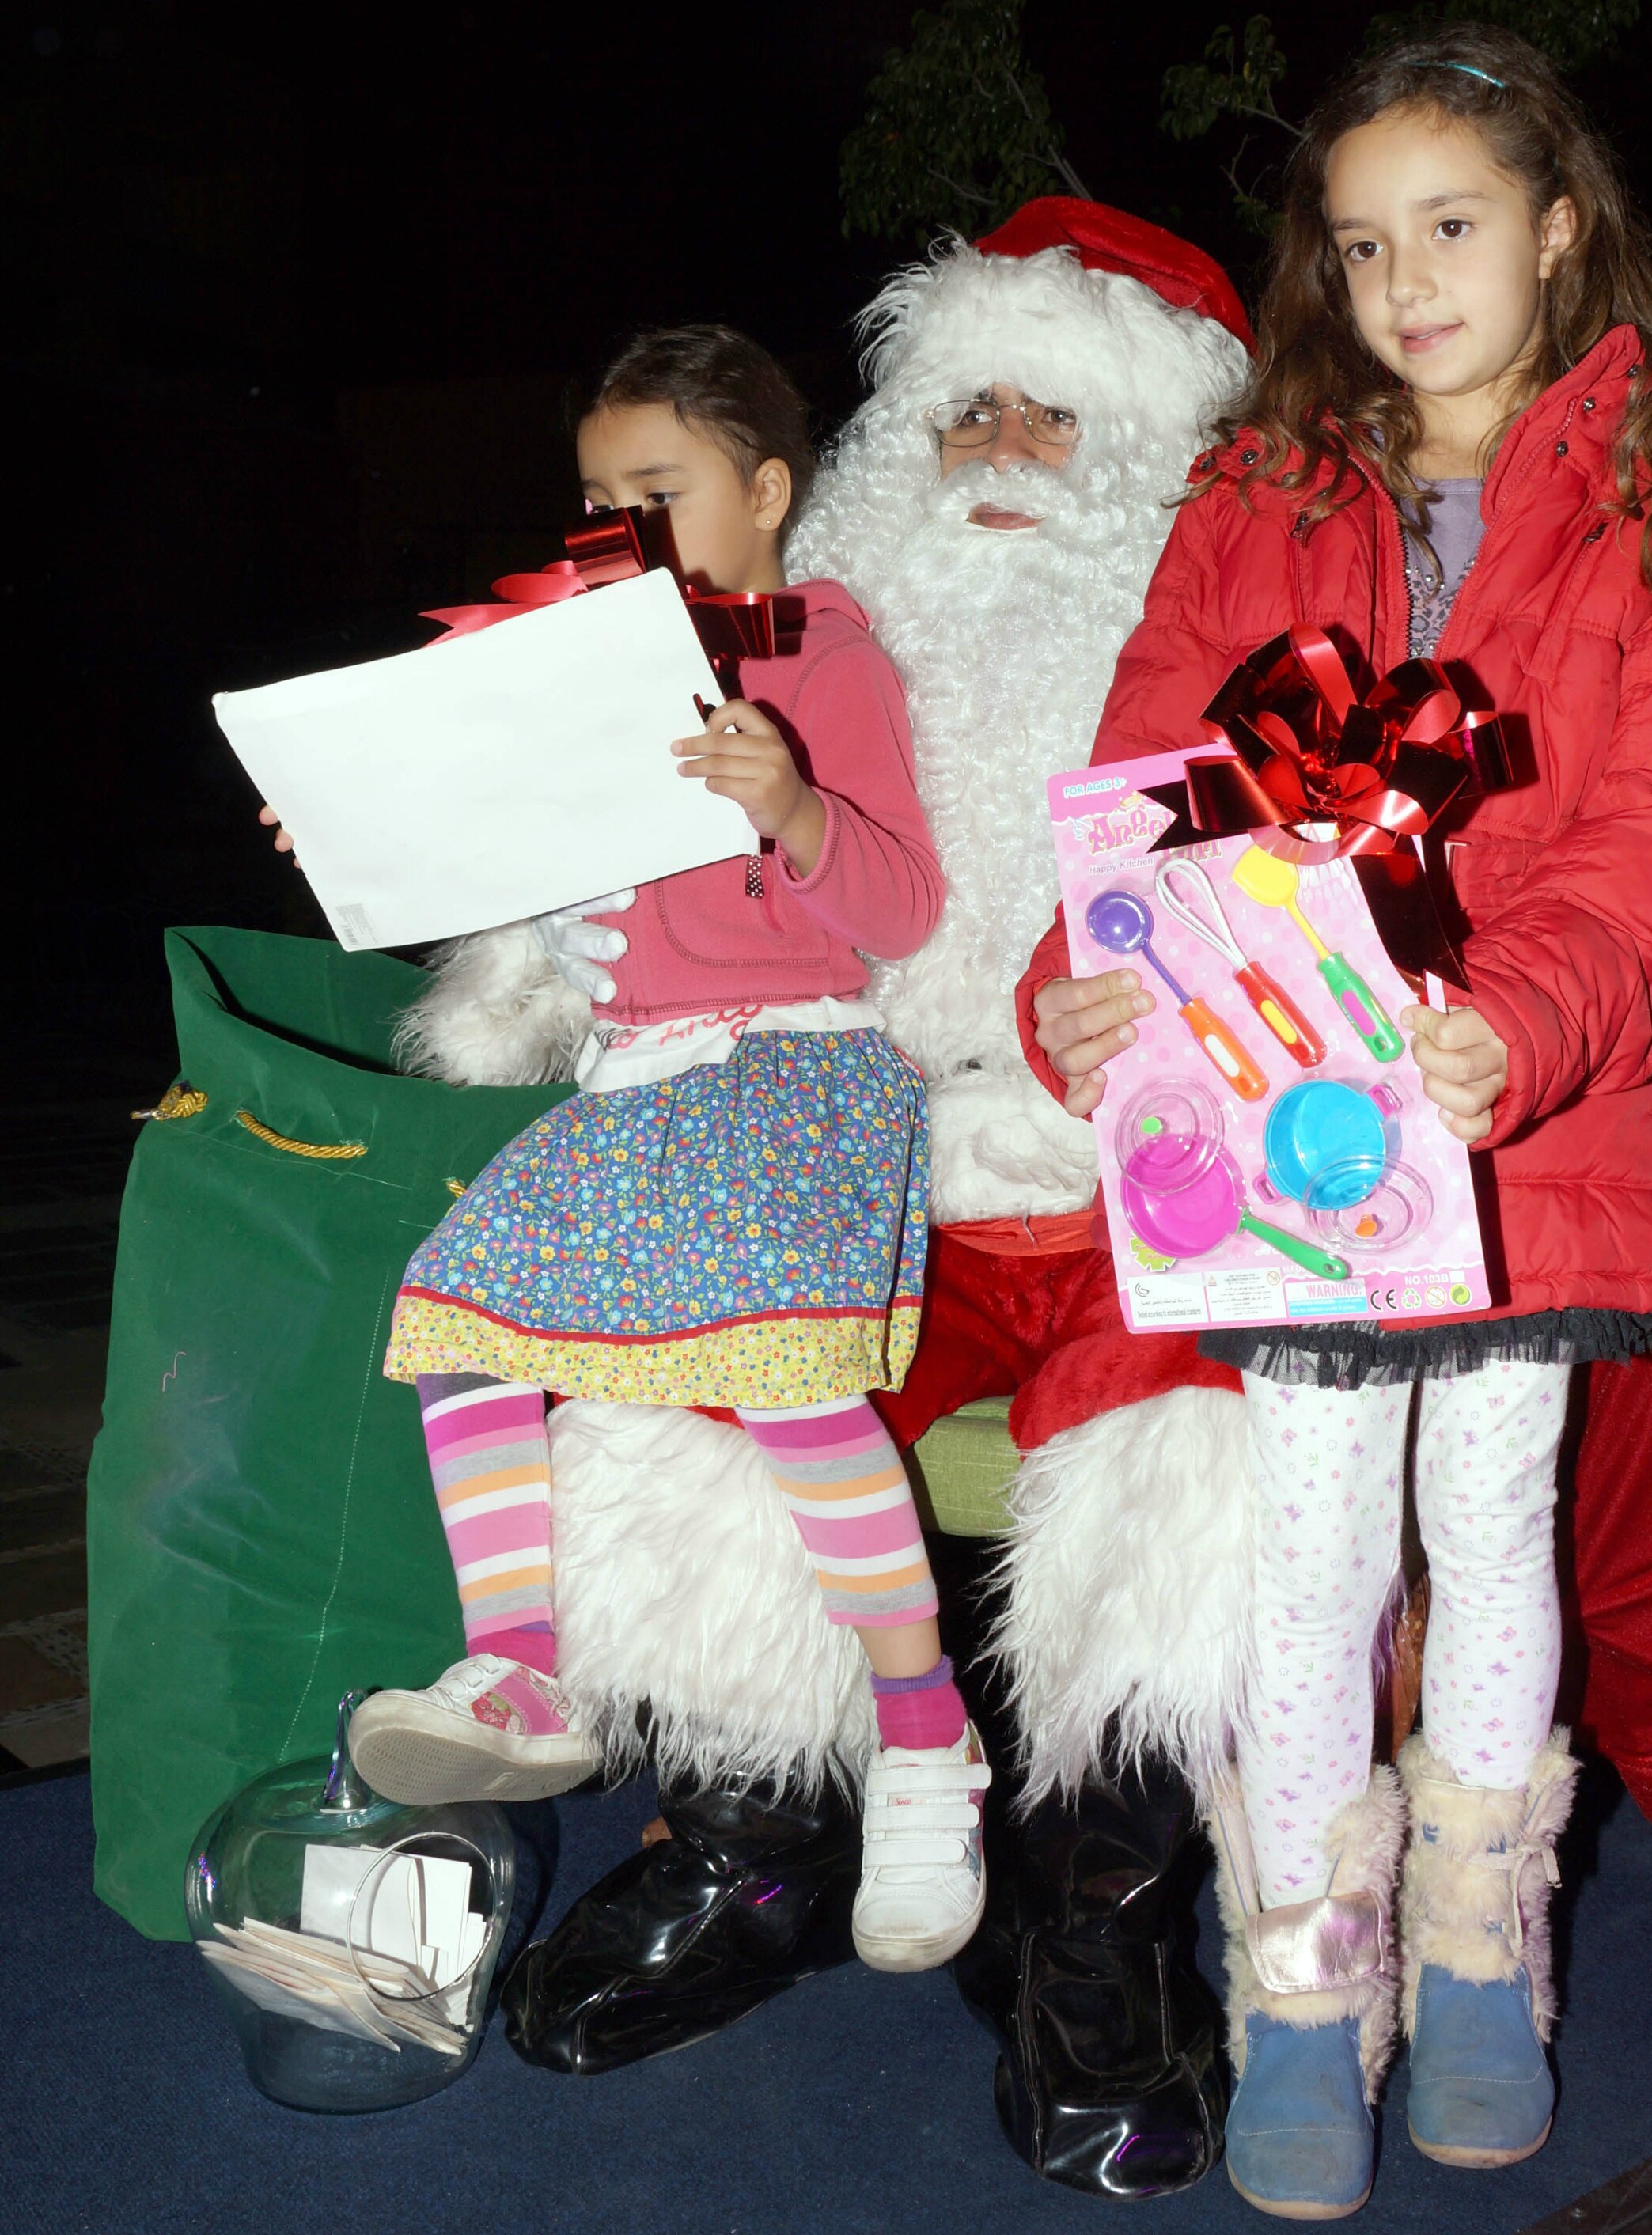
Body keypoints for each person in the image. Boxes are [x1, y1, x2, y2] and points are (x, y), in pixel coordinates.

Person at [400, 202, 1652, 2195]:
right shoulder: (792, 630)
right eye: (956, 404)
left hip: (1179, 1170)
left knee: (1192, 1479)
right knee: (685, 1418)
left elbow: (1577, 799)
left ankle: (1105, 1927)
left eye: (1050, 415)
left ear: (1151, 449)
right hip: (867, 1136)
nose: (991, 447)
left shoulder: (1257, 596)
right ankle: (754, 1850)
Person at [1021, 30, 1652, 2214]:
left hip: (1525, 1136)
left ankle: (1476, 1950)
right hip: (1287, 1140)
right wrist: (1082, 982)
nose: (1405, 282)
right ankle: (1299, 1975)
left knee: (1488, 1527)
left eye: (1452, 228)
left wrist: (1528, 1022)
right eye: (1364, 246)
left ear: (1563, 228)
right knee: (1304, 1558)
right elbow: (1146, 768)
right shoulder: (1256, 490)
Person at [333, 326, 996, 1978]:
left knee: (783, 1374)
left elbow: (899, 909)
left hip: (790, 1071)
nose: (614, 521)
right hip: (634, 1087)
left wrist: (793, 807)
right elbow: (489, 848)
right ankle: (521, 1668)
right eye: (591, 493)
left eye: (659, 488)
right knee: (457, 1316)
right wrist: (360, 821)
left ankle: (923, 1741)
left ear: (766, 492)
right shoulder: (577, 663)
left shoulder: (821, 651)